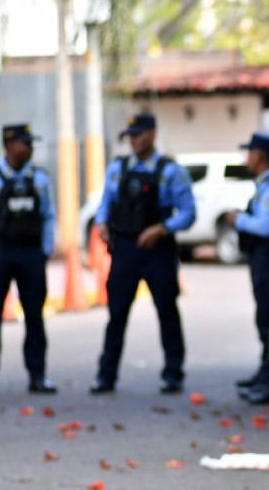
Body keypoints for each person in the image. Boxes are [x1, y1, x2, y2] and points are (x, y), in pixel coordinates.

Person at [90, 113, 196, 395]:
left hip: (157, 250)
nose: (134, 140)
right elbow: (106, 204)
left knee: (167, 311)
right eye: (131, 136)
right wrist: (102, 224)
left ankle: (173, 374)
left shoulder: (171, 170)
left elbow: (188, 213)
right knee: (116, 314)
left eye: (139, 134)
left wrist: (162, 229)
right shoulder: (118, 168)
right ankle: (106, 375)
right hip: (124, 249)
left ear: (152, 133)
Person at [0, 123, 57, 396]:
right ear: (9, 145)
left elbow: (48, 216)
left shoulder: (40, 179)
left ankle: (37, 376)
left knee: (34, 317)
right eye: (24, 143)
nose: (29, 148)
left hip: (31, 253)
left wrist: (44, 250)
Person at [227, 132, 269, 404]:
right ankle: (266, 375)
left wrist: (239, 219)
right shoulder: (266, 184)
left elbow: (268, 227)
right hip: (263, 262)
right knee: (265, 320)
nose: (247, 158)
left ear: (260, 156)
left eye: (250, 152)